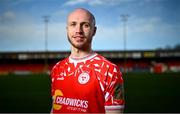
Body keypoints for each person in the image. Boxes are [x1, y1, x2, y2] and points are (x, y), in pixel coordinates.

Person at [51, 8, 125, 113]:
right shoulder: (57, 68)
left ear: (94, 31)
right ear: (67, 29)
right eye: (73, 24)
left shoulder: (110, 71)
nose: (78, 30)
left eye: (85, 25)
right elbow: (55, 108)